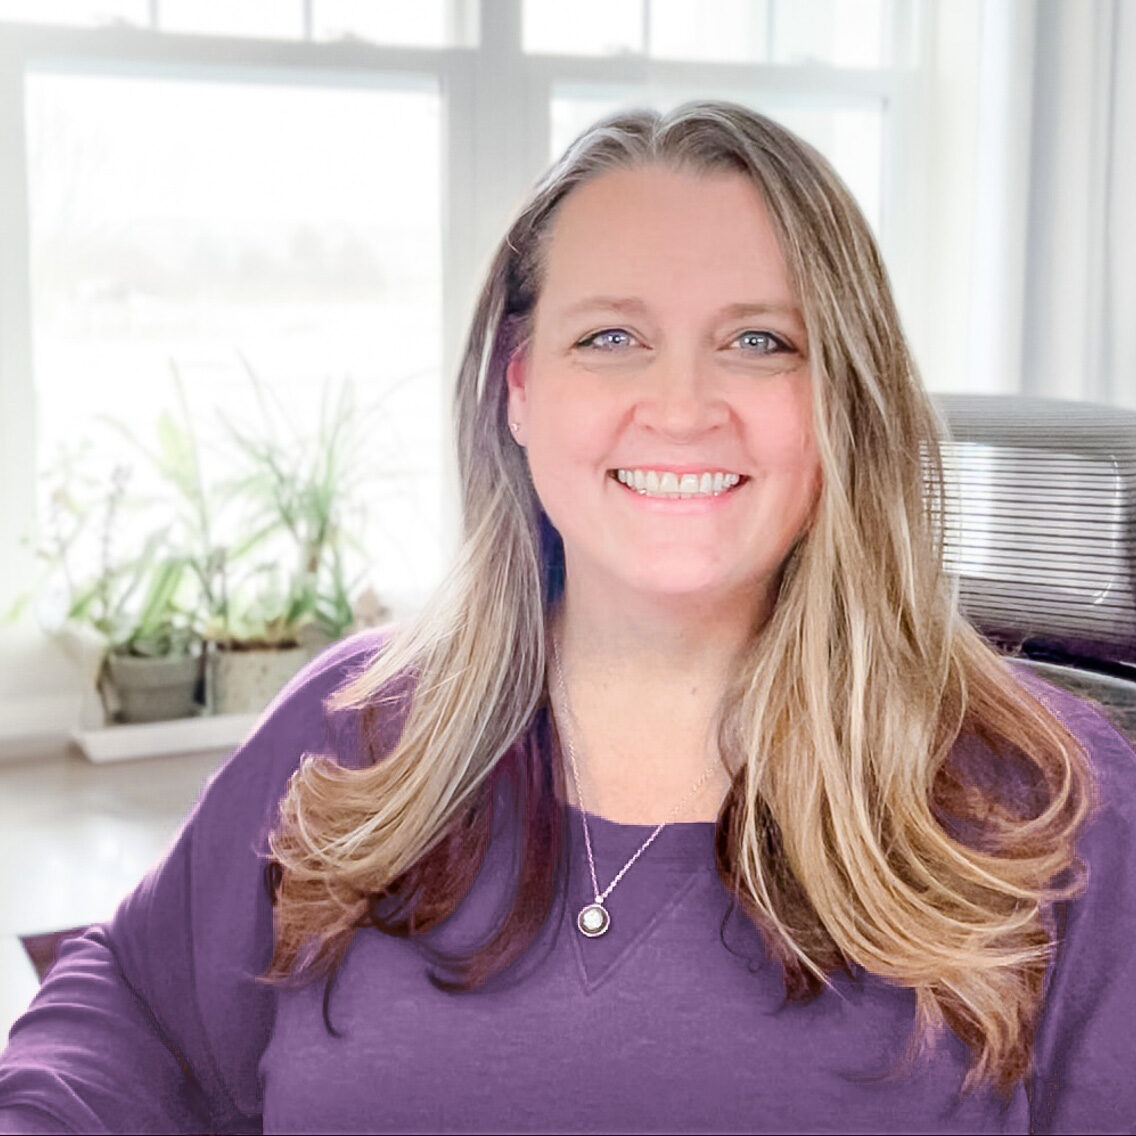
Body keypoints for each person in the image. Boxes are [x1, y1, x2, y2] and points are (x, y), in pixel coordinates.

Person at [1, 99, 1134, 1136]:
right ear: (519, 387)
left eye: (759, 341)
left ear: (841, 399)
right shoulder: (355, 727)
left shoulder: (1054, 805)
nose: (681, 408)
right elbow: (133, 1012)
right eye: (609, 337)